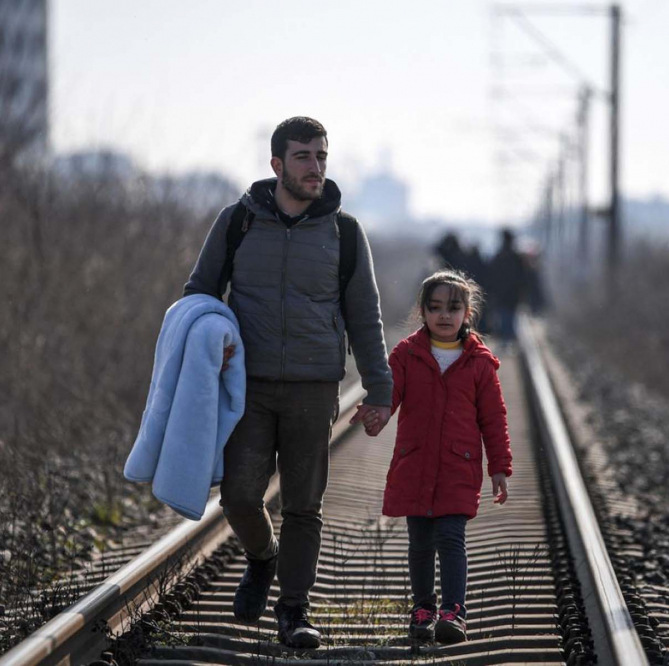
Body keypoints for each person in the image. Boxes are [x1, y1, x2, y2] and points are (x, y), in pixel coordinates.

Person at [183, 116, 393, 649]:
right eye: (303, 156)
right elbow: (199, 296)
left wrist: (380, 388)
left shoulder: (345, 233)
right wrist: (206, 346)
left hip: (313, 387)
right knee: (238, 496)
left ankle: (294, 609)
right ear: (277, 164)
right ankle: (261, 557)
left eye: (321, 156)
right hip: (246, 387)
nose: (315, 166)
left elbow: (365, 317)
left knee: (303, 504)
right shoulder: (238, 222)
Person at [361, 270, 513, 645]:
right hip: (415, 464)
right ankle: (423, 607)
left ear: (467, 313)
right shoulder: (407, 355)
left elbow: (494, 419)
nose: (444, 315)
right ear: (423, 312)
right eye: (435, 308)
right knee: (420, 542)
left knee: (450, 537)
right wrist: (377, 413)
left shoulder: (479, 363)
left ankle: (453, 610)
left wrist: (499, 468)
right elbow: (389, 393)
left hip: (457, 467)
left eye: (453, 308)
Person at [486, 228, 526, 345]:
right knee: (510, 317)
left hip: (501, 294)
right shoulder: (517, 257)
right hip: (512, 294)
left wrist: (491, 292)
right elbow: (523, 277)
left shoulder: (498, 256)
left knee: (503, 317)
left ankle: (505, 340)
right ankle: (508, 340)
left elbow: (491, 275)